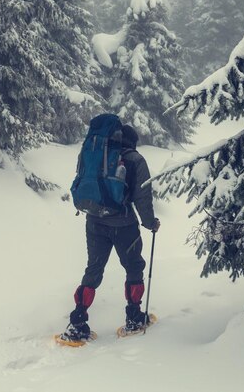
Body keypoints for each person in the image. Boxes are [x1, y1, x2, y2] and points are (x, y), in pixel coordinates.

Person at [64, 124, 161, 341]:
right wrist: (150, 223)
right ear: (132, 142)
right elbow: (142, 197)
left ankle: (77, 322)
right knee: (134, 267)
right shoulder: (136, 160)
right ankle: (134, 316)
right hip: (124, 225)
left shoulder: (97, 155)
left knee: (94, 269)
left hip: (94, 222)